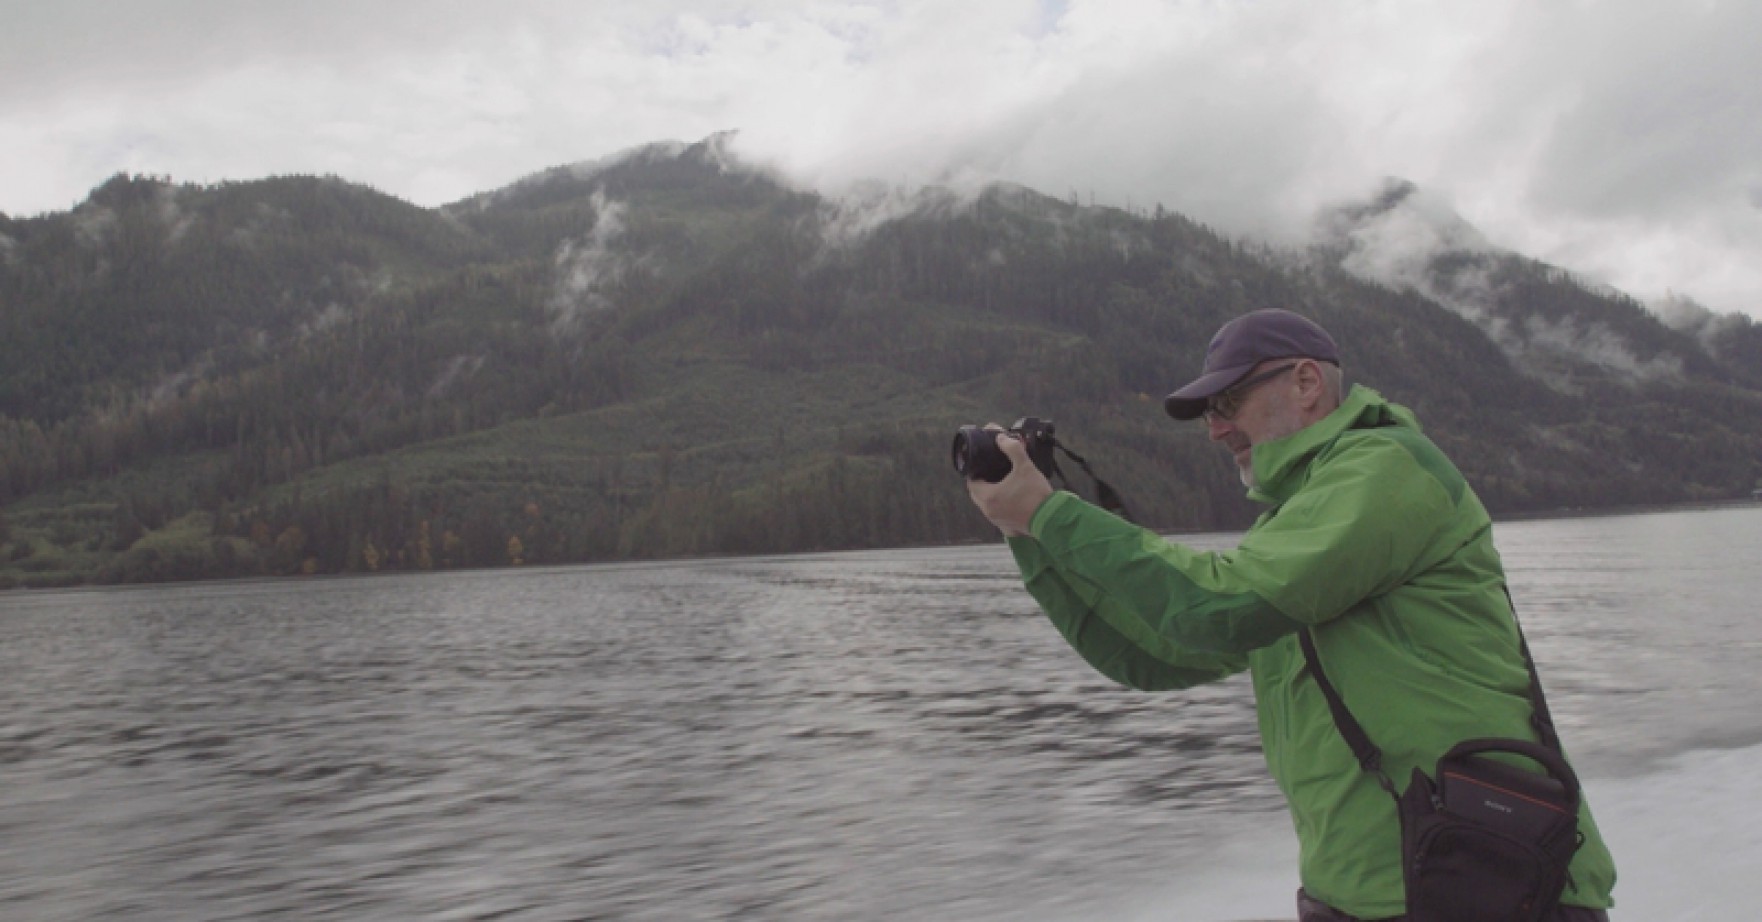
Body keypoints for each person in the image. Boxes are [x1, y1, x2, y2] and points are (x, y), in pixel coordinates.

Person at [967, 309, 1616, 921]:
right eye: (1208, 416)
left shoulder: (1387, 468)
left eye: (1227, 404)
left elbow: (1218, 608)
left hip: (1488, 885)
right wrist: (1029, 533)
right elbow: (1151, 655)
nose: (1216, 428)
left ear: (1306, 383)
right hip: (1372, 888)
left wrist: (1052, 513)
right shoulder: (1299, 523)